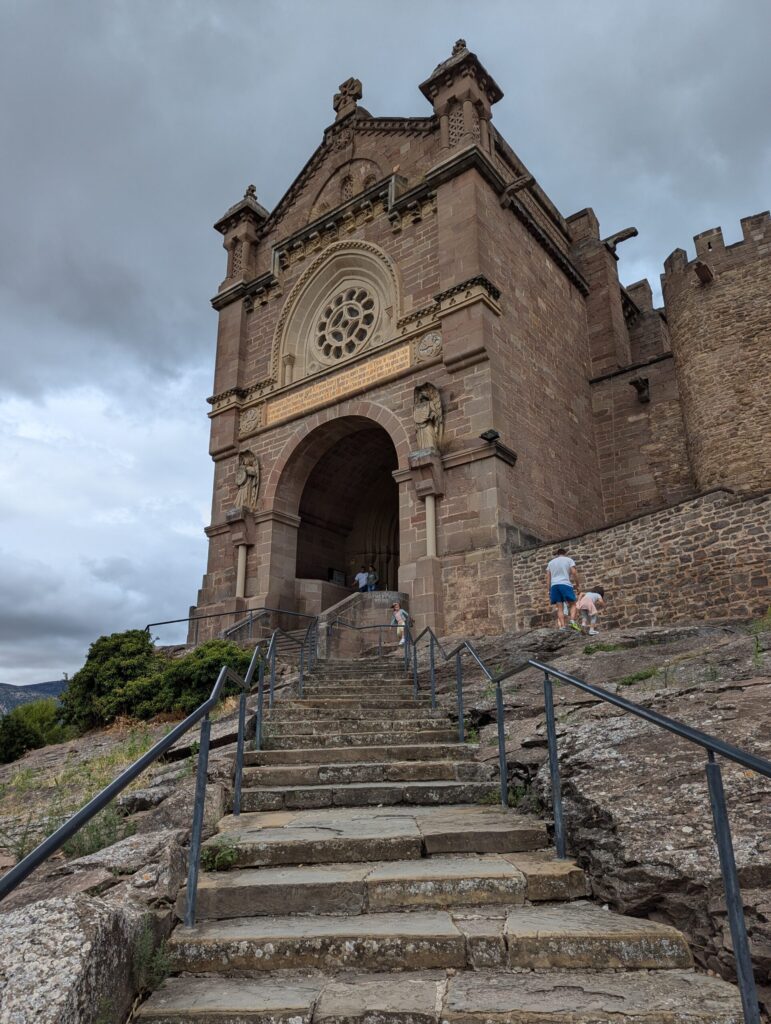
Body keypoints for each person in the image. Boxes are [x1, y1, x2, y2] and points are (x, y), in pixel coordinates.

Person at [546, 547, 579, 630]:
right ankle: (572, 621)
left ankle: (563, 626)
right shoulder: (569, 560)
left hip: (554, 586)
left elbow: (548, 577)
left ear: (557, 554)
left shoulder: (550, 563)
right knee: (573, 604)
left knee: (560, 607)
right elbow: (574, 572)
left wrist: (549, 590)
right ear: (565, 553)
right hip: (565, 584)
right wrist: (577, 585)